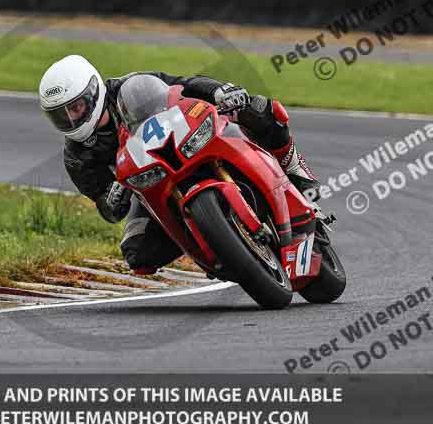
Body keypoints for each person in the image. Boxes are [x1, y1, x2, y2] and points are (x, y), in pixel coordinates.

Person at [39, 55, 319, 275]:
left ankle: (297, 171)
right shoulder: (77, 156)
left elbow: (184, 85)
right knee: (138, 254)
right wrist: (112, 198)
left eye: (75, 108)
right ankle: (219, 248)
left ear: (94, 92)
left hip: (188, 140)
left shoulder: (130, 87)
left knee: (258, 108)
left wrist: (220, 91)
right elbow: (107, 209)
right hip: (152, 185)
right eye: (60, 116)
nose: (71, 119)